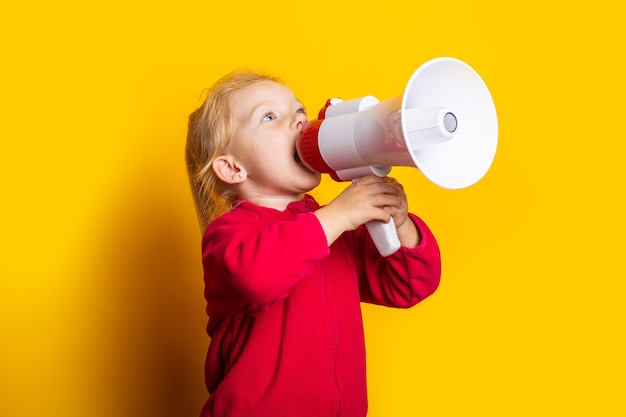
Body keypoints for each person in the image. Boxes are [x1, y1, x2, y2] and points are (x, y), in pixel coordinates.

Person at [185, 70, 441, 417]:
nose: (299, 121)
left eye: (299, 109)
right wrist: (339, 216)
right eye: (270, 116)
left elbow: (409, 286)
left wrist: (399, 222)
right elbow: (254, 278)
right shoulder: (230, 235)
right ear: (232, 169)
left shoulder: (335, 229)